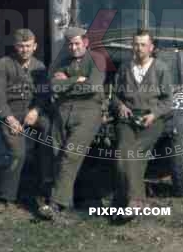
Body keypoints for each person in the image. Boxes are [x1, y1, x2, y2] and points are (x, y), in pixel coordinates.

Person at [41, 26, 107, 221]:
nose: (73, 47)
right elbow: (53, 85)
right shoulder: (62, 61)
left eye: (77, 43)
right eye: (70, 44)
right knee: (56, 151)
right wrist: (76, 80)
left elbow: (93, 86)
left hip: (88, 111)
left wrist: (66, 84)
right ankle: (66, 202)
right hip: (63, 112)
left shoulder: (97, 58)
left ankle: (56, 203)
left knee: (70, 153)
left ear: (85, 42)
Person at [111, 29, 173, 221]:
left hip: (152, 120)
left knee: (135, 152)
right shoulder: (124, 68)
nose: (139, 48)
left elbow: (169, 101)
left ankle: (131, 201)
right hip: (127, 120)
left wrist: (154, 114)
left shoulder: (161, 68)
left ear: (151, 47)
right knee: (122, 153)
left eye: (143, 45)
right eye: (136, 44)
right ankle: (135, 200)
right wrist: (120, 105)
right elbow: (114, 95)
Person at [0, 28, 53, 214]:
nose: (24, 50)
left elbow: (43, 94)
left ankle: (45, 190)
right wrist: (9, 118)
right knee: (17, 154)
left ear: (35, 46)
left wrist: (36, 110)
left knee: (49, 137)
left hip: (32, 113)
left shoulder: (40, 66)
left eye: (28, 46)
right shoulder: (5, 63)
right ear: (15, 47)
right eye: (21, 46)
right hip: (10, 113)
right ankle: (4, 196)